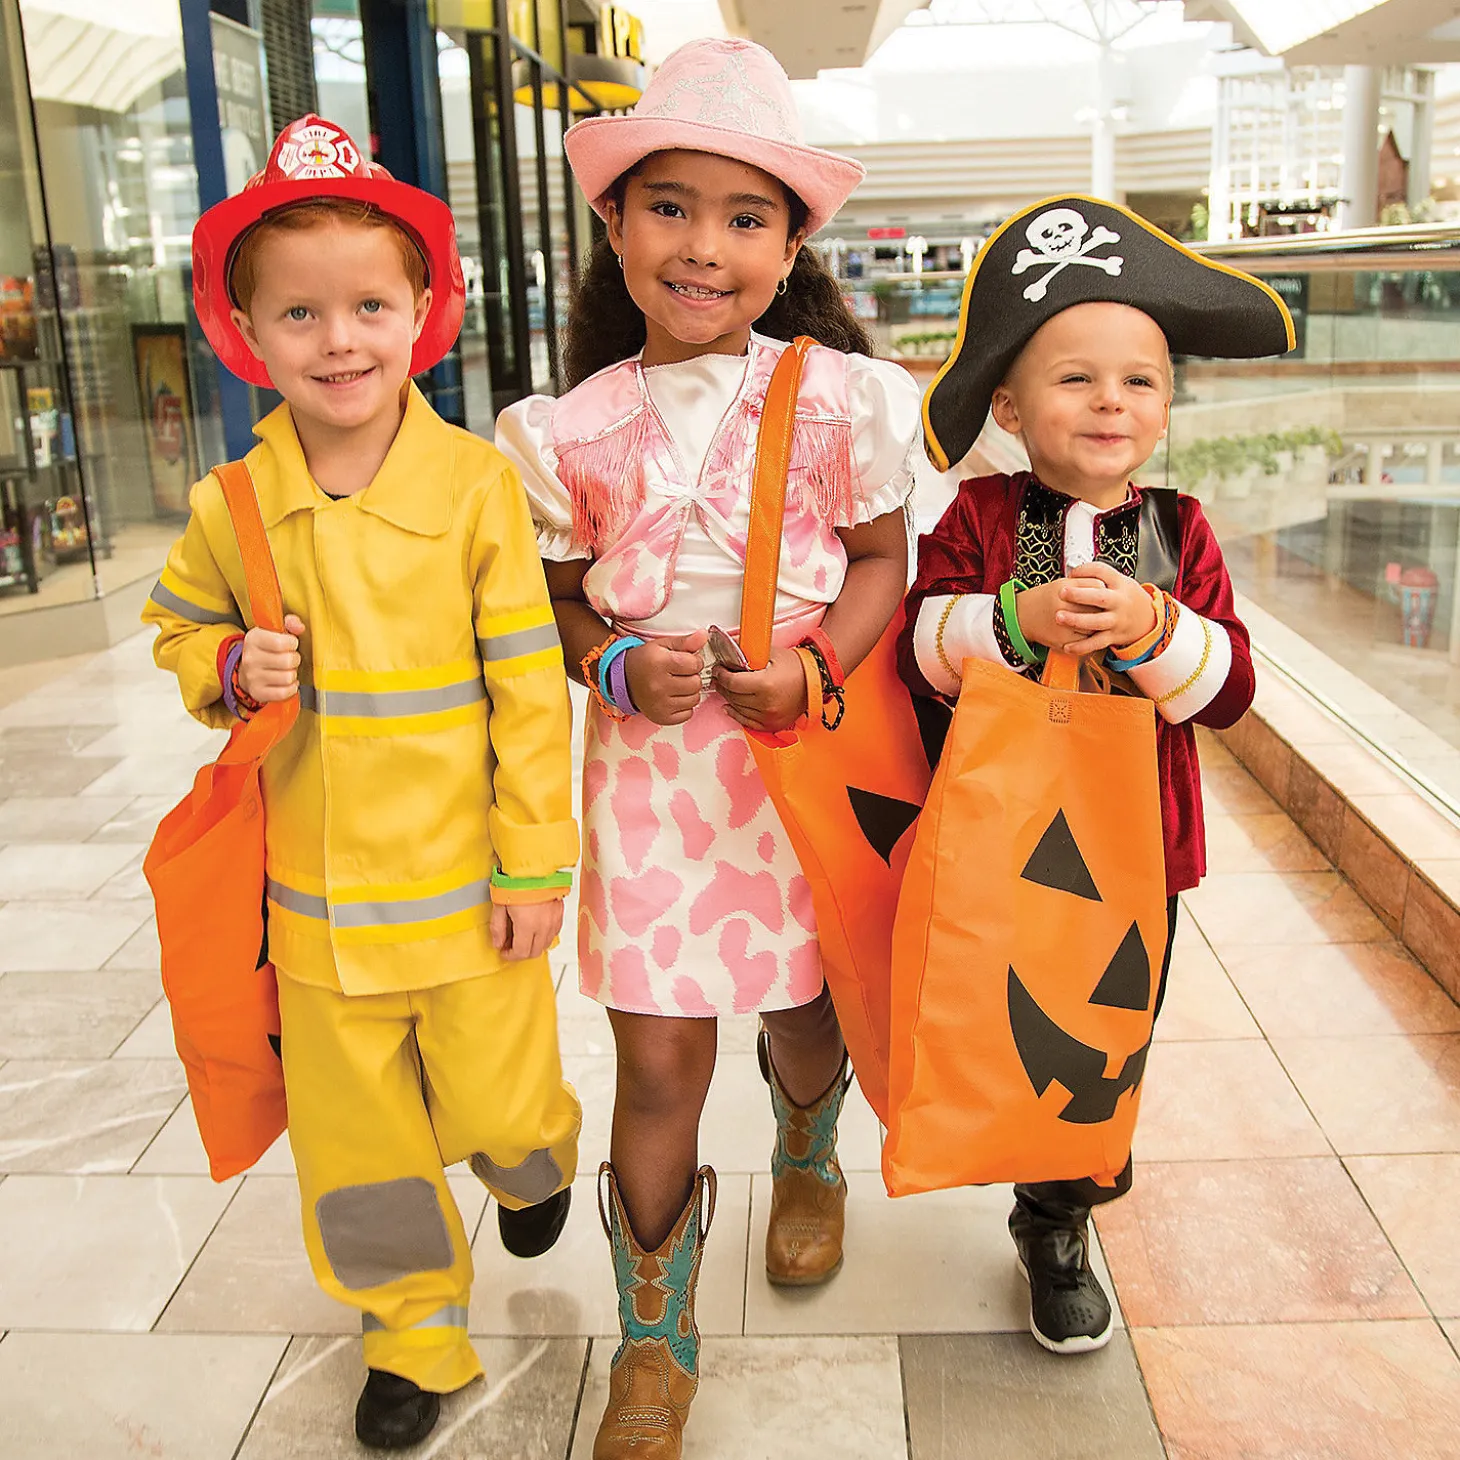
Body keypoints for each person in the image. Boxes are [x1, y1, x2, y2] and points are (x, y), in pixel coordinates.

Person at [495, 38, 921, 1460]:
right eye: (667, 206)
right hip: (650, 786)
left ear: (791, 244)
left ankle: (809, 1156)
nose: (704, 245)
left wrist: (814, 670)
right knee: (659, 1064)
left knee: (804, 1008)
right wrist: (613, 658)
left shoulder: (841, 399)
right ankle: (654, 1341)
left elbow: (882, 560)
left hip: (794, 771)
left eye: (747, 218)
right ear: (613, 226)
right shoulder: (568, 431)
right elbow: (554, 599)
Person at [143, 115, 582, 1450]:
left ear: (423, 315)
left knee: (501, 1102)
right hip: (320, 913)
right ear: (247, 335)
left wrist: (536, 861)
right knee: (360, 1153)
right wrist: (228, 661)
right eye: (300, 313)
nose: (340, 340)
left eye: (370, 306)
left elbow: (524, 685)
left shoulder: (475, 490)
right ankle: (412, 1333)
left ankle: (532, 1156)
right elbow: (176, 634)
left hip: (469, 894)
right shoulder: (233, 505)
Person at [898, 195, 1293, 1356]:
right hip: (999, 841)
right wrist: (1007, 619)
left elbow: (1225, 691)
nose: (1110, 401)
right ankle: (992, 1151)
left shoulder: (1183, 527)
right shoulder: (974, 516)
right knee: (993, 1016)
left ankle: (1056, 1217)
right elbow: (920, 653)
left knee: (1103, 1040)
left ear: (1165, 405)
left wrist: (1155, 625)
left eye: (1138, 381)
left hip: (1137, 857)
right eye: (1075, 379)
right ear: (1010, 408)